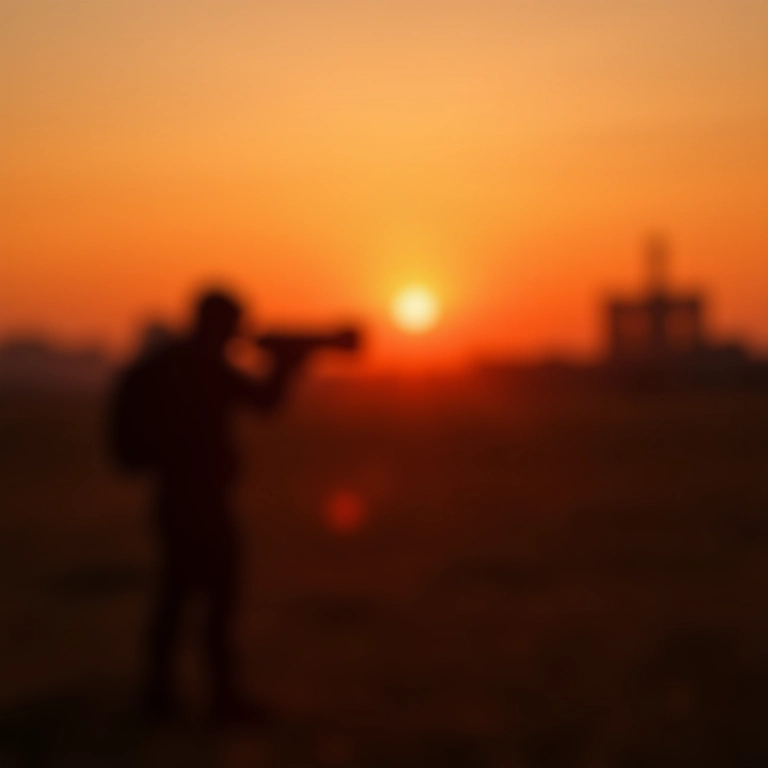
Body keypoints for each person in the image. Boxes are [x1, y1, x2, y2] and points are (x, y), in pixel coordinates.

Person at [119, 290, 303, 722]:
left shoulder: (174, 366)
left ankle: (164, 696)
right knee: (211, 603)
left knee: (180, 600)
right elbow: (265, 403)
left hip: (179, 500)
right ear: (217, 323)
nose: (239, 335)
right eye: (234, 324)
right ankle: (214, 698)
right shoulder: (203, 369)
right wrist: (287, 365)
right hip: (198, 502)